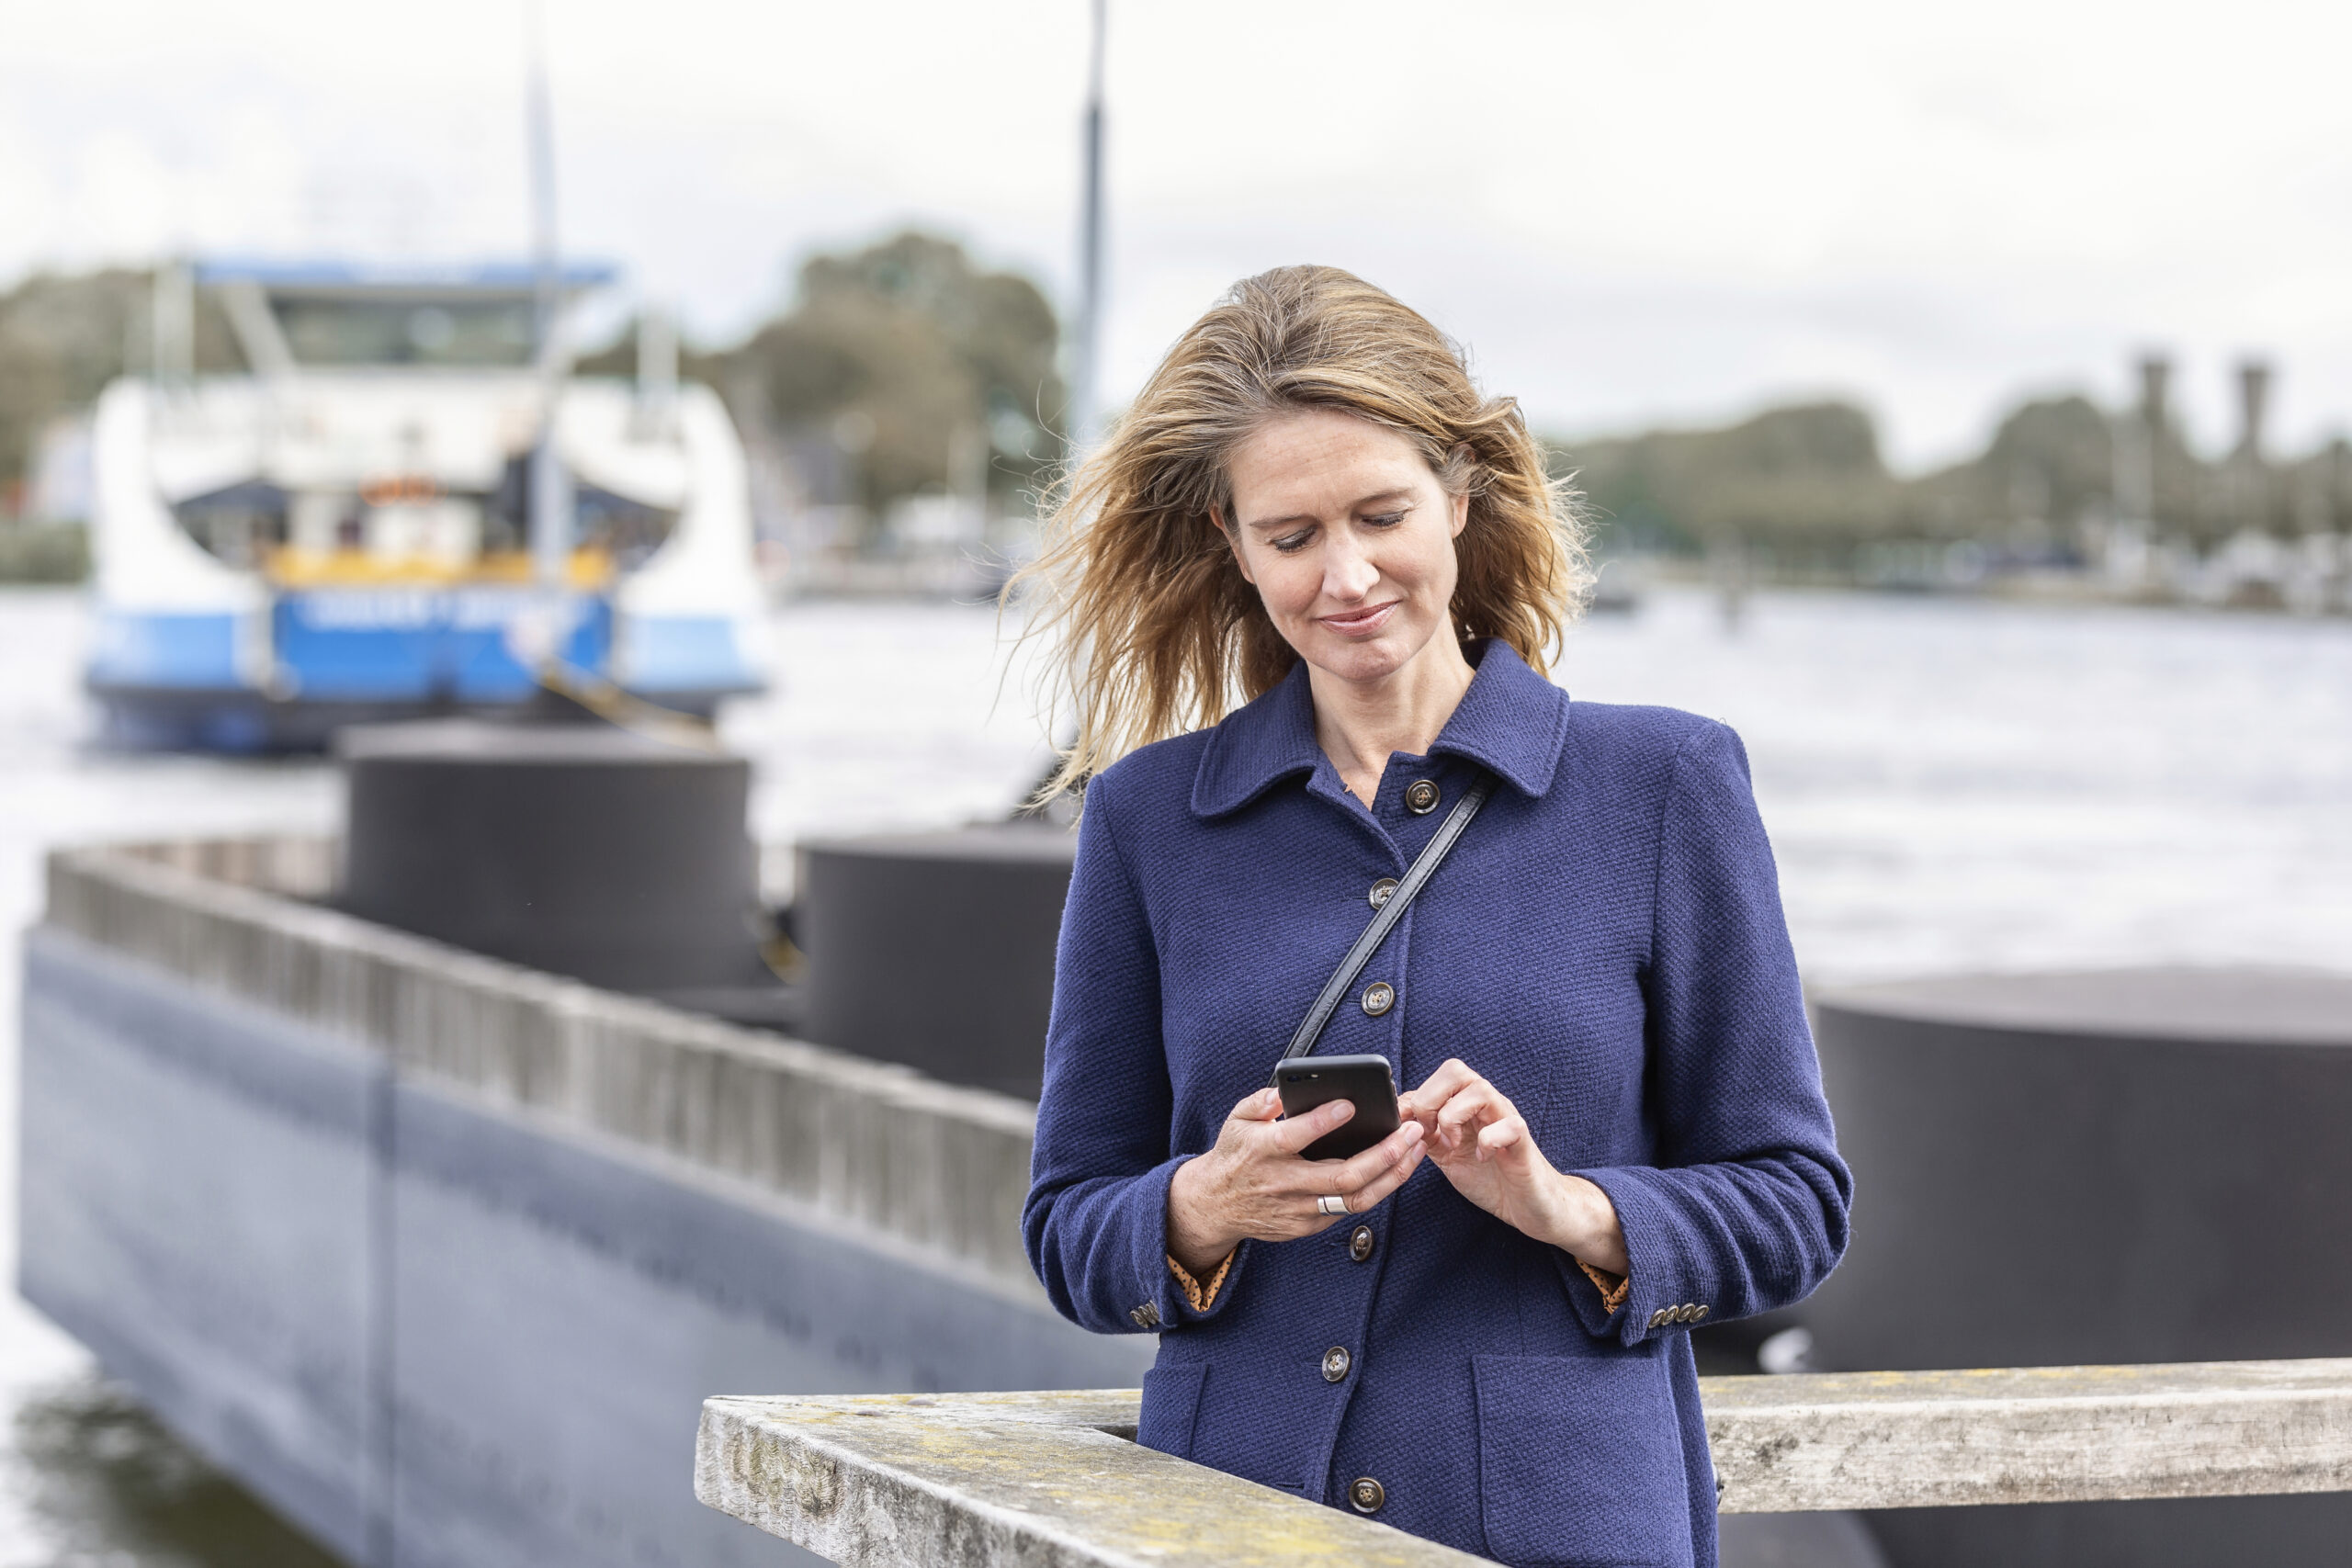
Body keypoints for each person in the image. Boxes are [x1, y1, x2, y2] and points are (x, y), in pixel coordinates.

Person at [1019, 265, 1850, 1568]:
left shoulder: (1665, 787)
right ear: (1233, 547)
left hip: (1564, 1527)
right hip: (1228, 1528)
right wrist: (1203, 1205)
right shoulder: (1147, 820)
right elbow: (1069, 1225)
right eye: (1291, 536)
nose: (1346, 575)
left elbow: (1795, 1203)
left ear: (1459, 498)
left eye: (1381, 514)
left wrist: (1569, 1207)